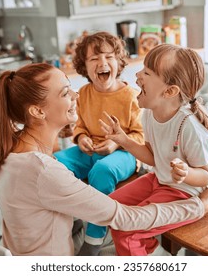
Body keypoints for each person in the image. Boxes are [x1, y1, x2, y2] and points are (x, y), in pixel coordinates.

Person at [0, 62, 208, 256]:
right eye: (65, 92)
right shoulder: (43, 171)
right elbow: (125, 218)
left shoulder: (10, 146)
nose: (76, 95)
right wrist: (199, 206)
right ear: (37, 111)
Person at [99, 44, 208, 256]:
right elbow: (154, 157)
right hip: (160, 179)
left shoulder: (190, 127)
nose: (137, 75)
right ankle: (152, 251)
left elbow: (206, 176)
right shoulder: (149, 113)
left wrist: (186, 173)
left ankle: (156, 257)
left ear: (170, 91)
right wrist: (124, 140)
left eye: (147, 72)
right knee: (110, 208)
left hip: (186, 192)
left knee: (125, 230)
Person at [54, 31, 144, 255]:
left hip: (125, 154)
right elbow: (80, 125)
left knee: (102, 170)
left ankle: (95, 235)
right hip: (90, 150)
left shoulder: (132, 96)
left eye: (109, 57)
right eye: (94, 59)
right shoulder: (83, 94)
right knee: (54, 163)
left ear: (119, 61)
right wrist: (81, 137)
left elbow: (141, 136)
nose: (102, 63)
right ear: (84, 67)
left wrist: (116, 143)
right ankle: (72, 215)